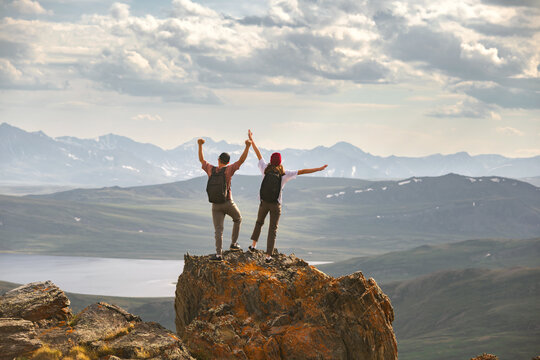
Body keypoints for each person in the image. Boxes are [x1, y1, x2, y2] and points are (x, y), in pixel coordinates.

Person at [247, 130, 327, 263]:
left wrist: (251, 140)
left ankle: (253, 246)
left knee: (259, 223)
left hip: (264, 202)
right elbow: (302, 171)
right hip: (276, 204)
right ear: (280, 162)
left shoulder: (264, 168)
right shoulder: (284, 174)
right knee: (272, 229)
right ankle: (268, 256)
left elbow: (258, 153)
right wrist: (318, 169)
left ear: (271, 161)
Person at [198, 137, 252, 262]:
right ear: (227, 162)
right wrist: (247, 146)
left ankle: (218, 255)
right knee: (238, 218)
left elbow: (201, 159)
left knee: (218, 230)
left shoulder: (211, 169)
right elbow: (241, 160)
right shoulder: (229, 170)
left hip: (215, 205)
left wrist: (200, 145)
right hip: (227, 202)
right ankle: (233, 244)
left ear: (218, 160)